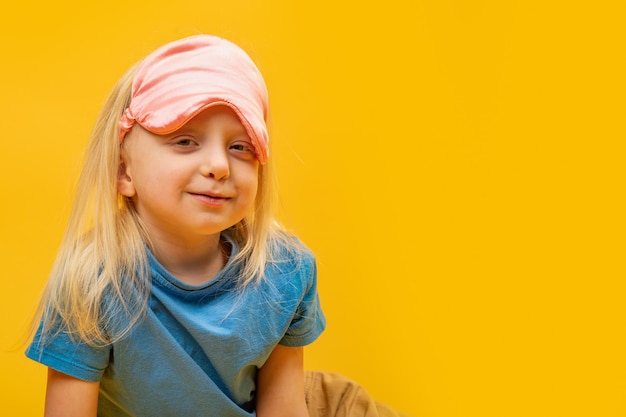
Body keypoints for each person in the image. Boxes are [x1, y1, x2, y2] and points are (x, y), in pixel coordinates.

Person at [26, 34, 411, 417]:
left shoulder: (284, 272)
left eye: (240, 146)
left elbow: (282, 406)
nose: (220, 166)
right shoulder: (91, 283)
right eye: (185, 141)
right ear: (123, 170)